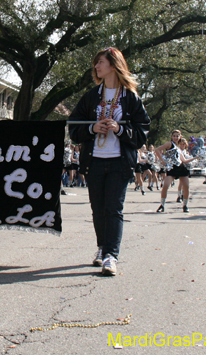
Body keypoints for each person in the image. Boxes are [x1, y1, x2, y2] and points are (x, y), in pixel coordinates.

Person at [68, 47, 150, 276]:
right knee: (98, 209)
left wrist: (120, 129)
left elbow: (142, 132)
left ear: (113, 65)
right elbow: (74, 127)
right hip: (94, 161)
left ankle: (111, 256)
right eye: (96, 63)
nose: (96, 66)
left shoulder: (130, 97)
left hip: (119, 163)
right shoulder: (91, 96)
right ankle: (102, 248)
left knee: (113, 208)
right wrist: (92, 128)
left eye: (100, 62)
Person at [155, 130, 195, 213]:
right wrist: (162, 160)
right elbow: (157, 150)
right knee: (166, 185)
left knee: (186, 186)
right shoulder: (169, 144)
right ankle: (162, 205)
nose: (175, 137)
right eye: (174, 136)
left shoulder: (179, 148)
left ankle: (185, 205)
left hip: (181, 168)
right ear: (171, 136)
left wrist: (195, 158)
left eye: (177, 136)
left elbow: (184, 160)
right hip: (172, 169)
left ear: (180, 137)